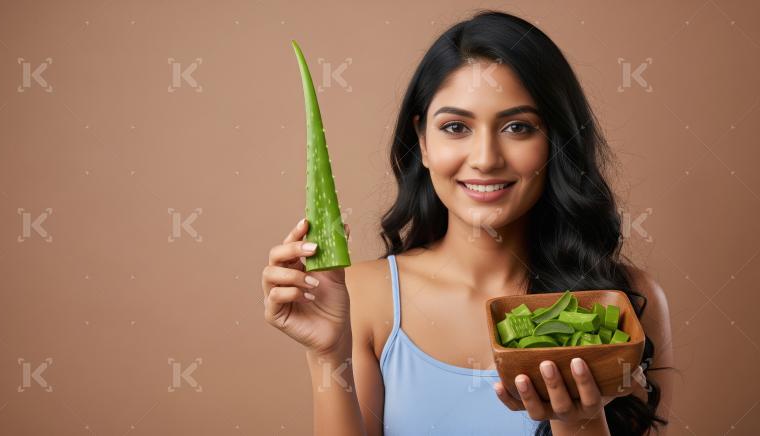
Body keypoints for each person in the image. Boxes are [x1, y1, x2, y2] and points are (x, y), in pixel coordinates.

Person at [261, 10, 674, 436]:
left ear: (556, 140)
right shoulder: (362, 297)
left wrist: (578, 421)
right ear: (422, 141)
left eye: (517, 127)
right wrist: (328, 355)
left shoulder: (626, 302)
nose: (485, 159)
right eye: (456, 127)